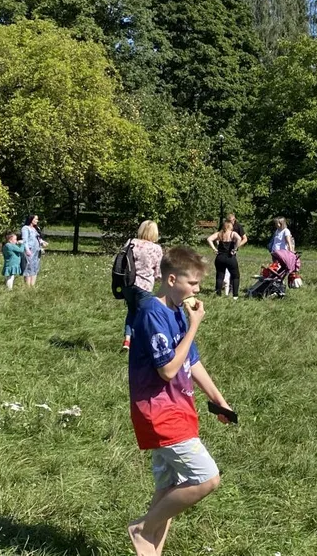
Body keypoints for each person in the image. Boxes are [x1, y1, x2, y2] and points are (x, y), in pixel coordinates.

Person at [126, 246, 233, 556]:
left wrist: (219, 400)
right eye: (192, 283)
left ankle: (150, 551)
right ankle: (142, 529)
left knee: (169, 487)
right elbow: (168, 368)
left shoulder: (176, 312)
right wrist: (196, 324)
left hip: (180, 408)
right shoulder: (151, 313)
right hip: (159, 412)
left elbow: (192, 362)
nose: (197, 290)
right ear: (171, 279)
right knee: (206, 478)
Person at [122, 220, 165, 351]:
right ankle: (142, 344)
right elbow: (158, 273)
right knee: (144, 314)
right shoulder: (156, 248)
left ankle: (127, 340)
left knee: (131, 311)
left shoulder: (131, 243)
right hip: (144, 286)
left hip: (127, 284)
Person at [207, 221, 242, 299]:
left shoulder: (219, 233)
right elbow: (239, 238)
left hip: (220, 257)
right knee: (235, 276)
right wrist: (235, 249)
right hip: (230, 257)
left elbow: (209, 239)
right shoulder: (233, 233)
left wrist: (214, 249)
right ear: (230, 226)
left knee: (219, 276)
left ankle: (218, 294)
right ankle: (235, 295)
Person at [20, 214, 48, 287]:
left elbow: (38, 238)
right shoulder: (25, 228)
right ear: (31, 219)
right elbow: (25, 240)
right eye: (35, 219)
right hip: (29, 250)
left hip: (37, 251)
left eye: (37, 219)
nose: (37, 221)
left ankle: (33, 286)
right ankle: (27, 286)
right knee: (28, 267)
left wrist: (42, 242)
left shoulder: (36, 228)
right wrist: (27, 250)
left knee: (35, 267)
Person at [222, 214, 247, 293]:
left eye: (232, 221)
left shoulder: (238, 226)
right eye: (229, 221)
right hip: (223, 250)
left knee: (232, 269)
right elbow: (219, 235)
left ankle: (232, 286)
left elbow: (245, 238)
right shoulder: (224, 226)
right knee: (223, 268)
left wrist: (237, 246)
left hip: (232, 250)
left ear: (234, 220)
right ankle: (224, 284)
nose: (231, 223)